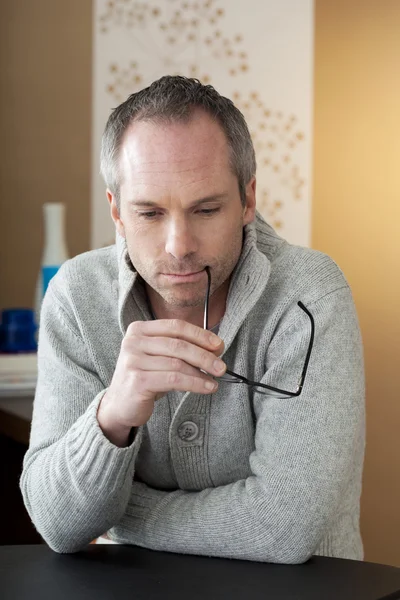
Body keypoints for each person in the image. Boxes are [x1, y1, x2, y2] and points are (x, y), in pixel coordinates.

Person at [20, 76, 365, 563]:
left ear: (247, 200)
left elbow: (286, 526)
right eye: (149, 213)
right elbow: (58, 524)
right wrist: (112, 416)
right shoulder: (77, 297)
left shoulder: (309, 295)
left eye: (205, 209)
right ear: (116, 210)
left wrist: (126, 517)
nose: (178, 246)